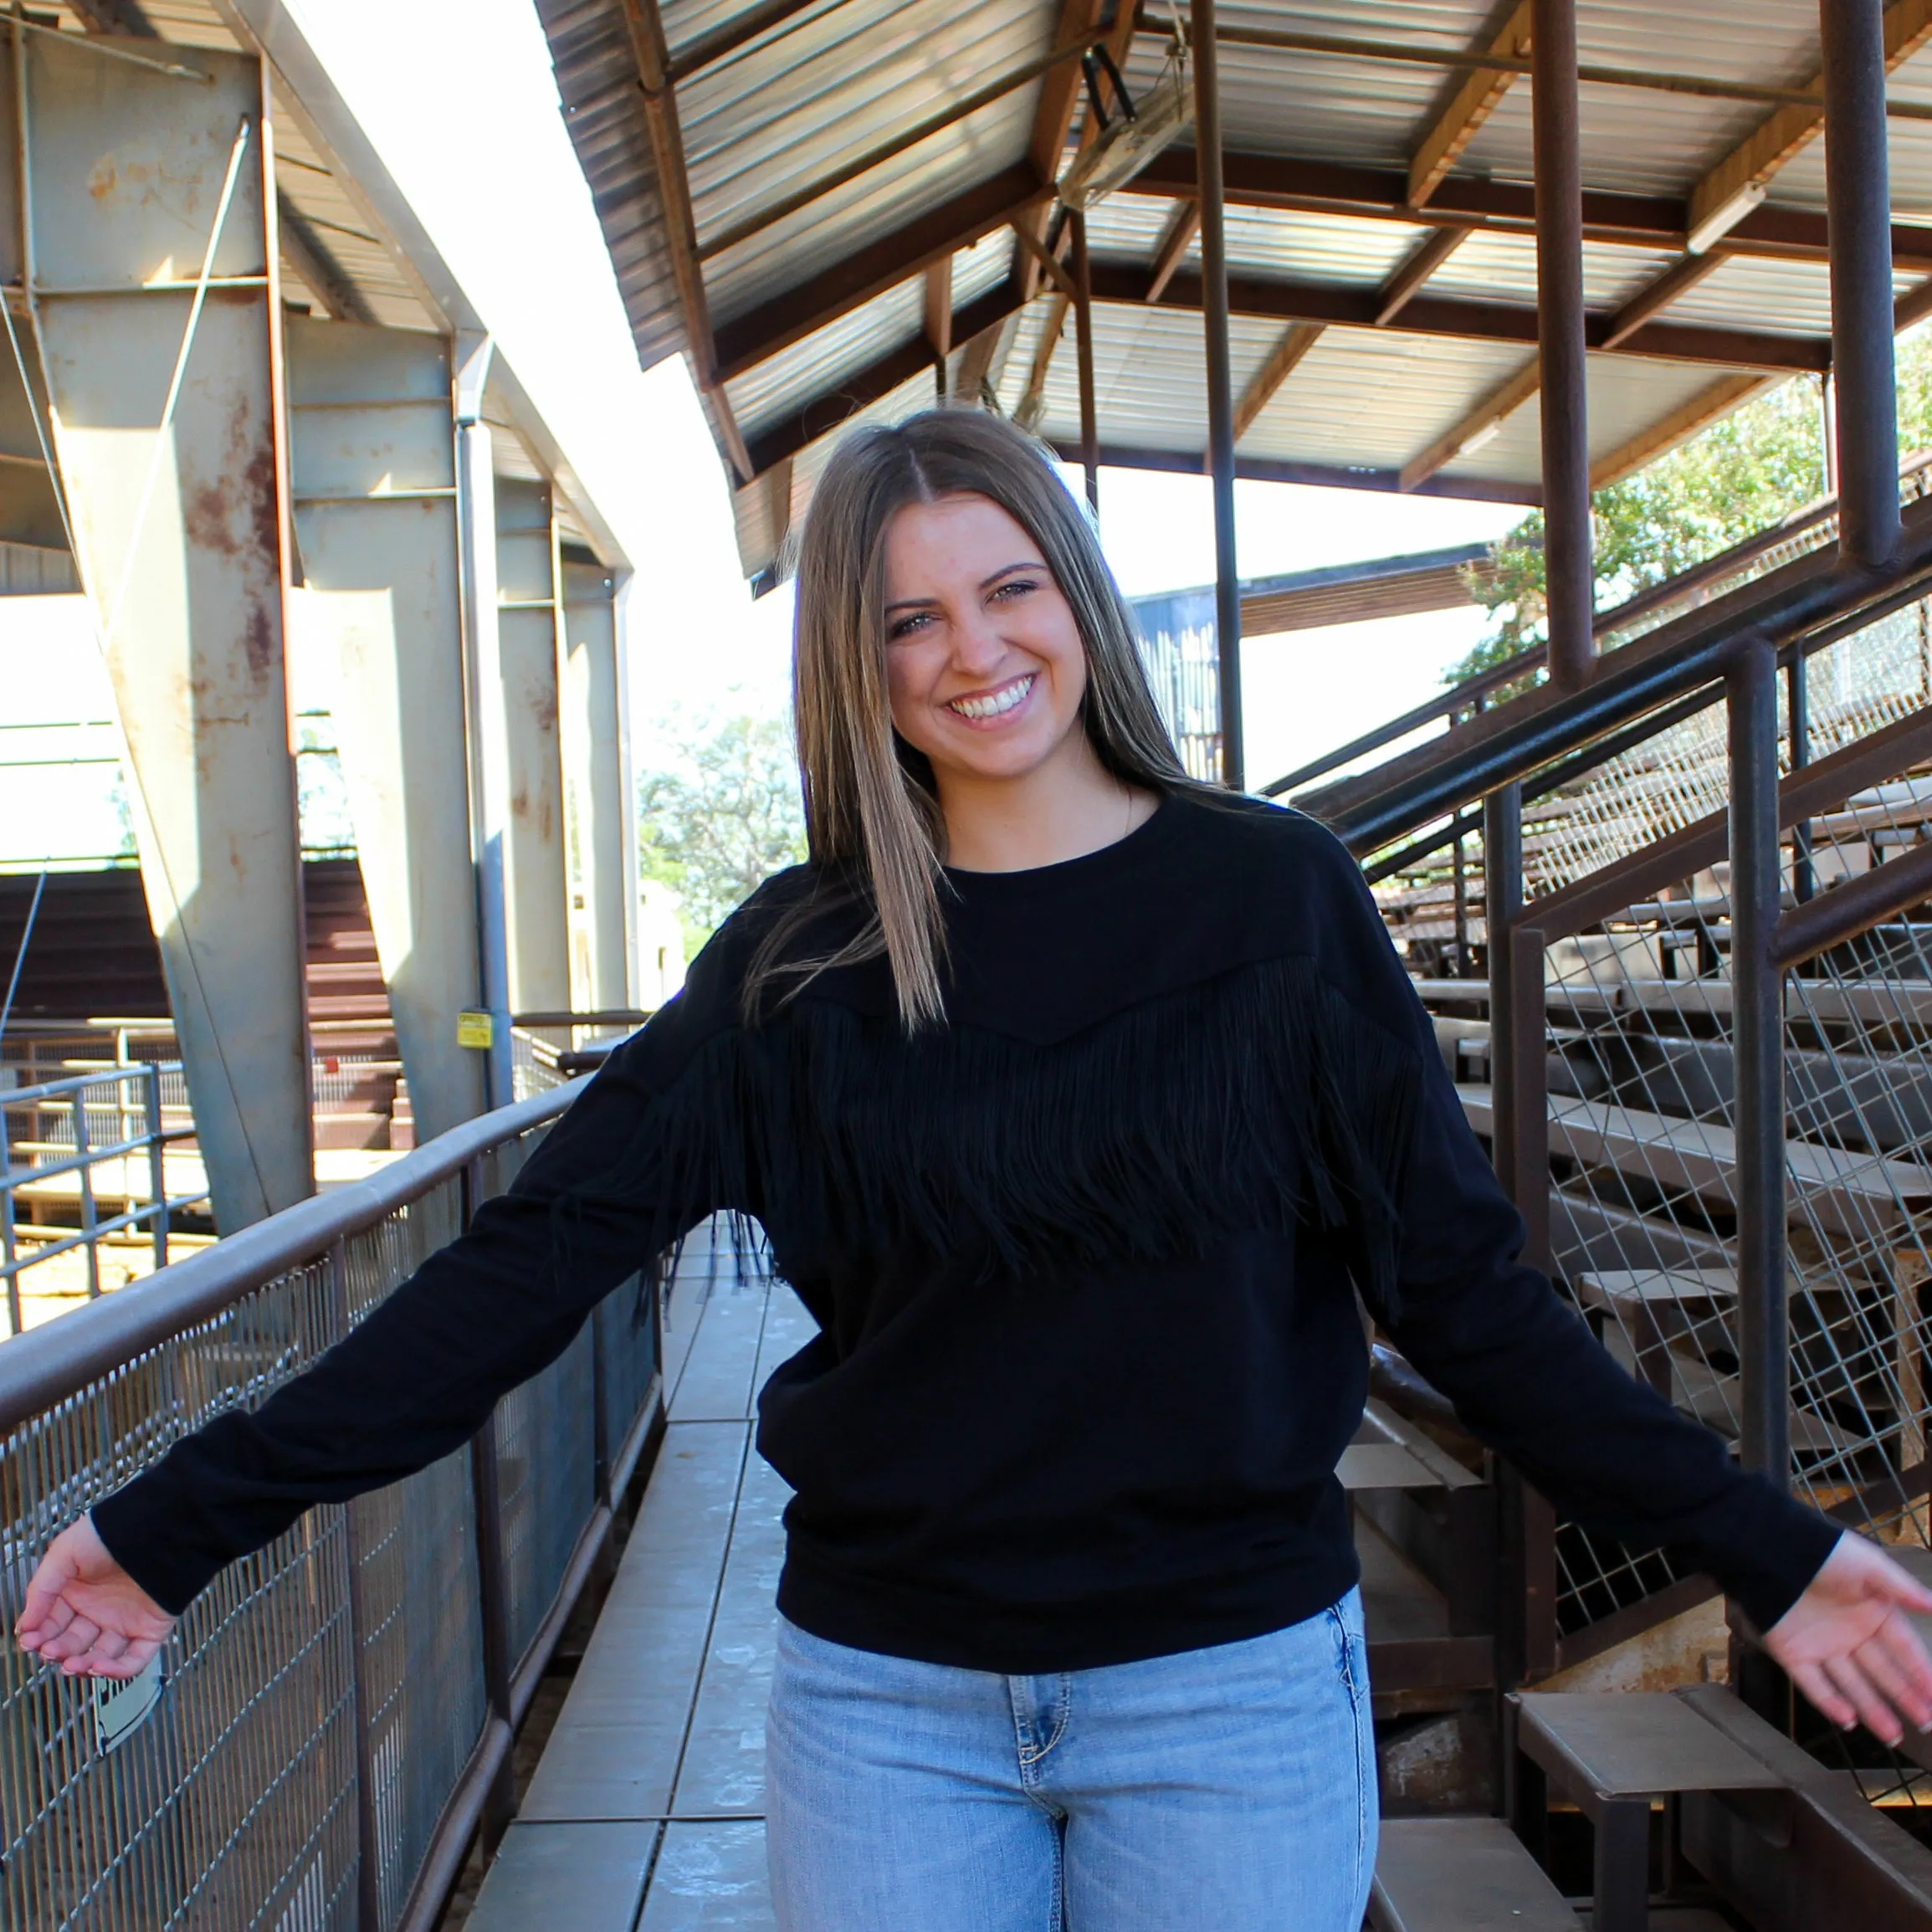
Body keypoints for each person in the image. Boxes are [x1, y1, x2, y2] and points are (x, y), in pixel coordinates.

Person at [17, 410, 1932, 1931]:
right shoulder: (798, 967)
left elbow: (1465, 1296)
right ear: (856, 666)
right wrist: (182, 1517)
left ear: (1076, 596)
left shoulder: (1270, 903)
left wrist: (1765, 1549)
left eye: (1005, 587)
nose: (969, 651)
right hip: (888, 1704)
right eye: (904, 619)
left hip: (1226, 1688)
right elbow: (517, 1271)